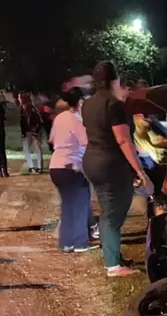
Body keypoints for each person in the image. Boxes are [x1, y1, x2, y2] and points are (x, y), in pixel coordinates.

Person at [82, 61, 153, 278]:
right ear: (115, 80)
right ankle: (113, 265)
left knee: (108, 208)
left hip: (92, 161)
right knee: (113, 213)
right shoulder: (114, 105)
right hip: (111, 163)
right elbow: (123, 141)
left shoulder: (88, 104)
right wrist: (140, 171)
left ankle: (114, 257)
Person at [49, 88, 97, 254]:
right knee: (80, 205)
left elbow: (52, 140)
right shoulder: (77, 120)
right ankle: (79, 243)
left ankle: (66, 243)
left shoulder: (60, 118)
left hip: (56, 166)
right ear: (81, 102)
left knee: (68, 205)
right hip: (71, 166)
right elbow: (86, 143)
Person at [18, 92, 44, 173]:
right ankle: (31, 167)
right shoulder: (22, 108)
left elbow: (40, 121)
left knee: (37, 149)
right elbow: (22, 122)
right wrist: (24, 132)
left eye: (19, 97)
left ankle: (39, 167)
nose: (18, 99)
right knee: (26, 148)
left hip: (34, 131)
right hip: (27, 132)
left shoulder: (32, 108)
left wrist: (36, 132)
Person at [0, 92, 8, 177]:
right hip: (1, 132)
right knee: (2, 151)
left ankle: (2, 170)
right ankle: (4, 170)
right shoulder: (2, 108)